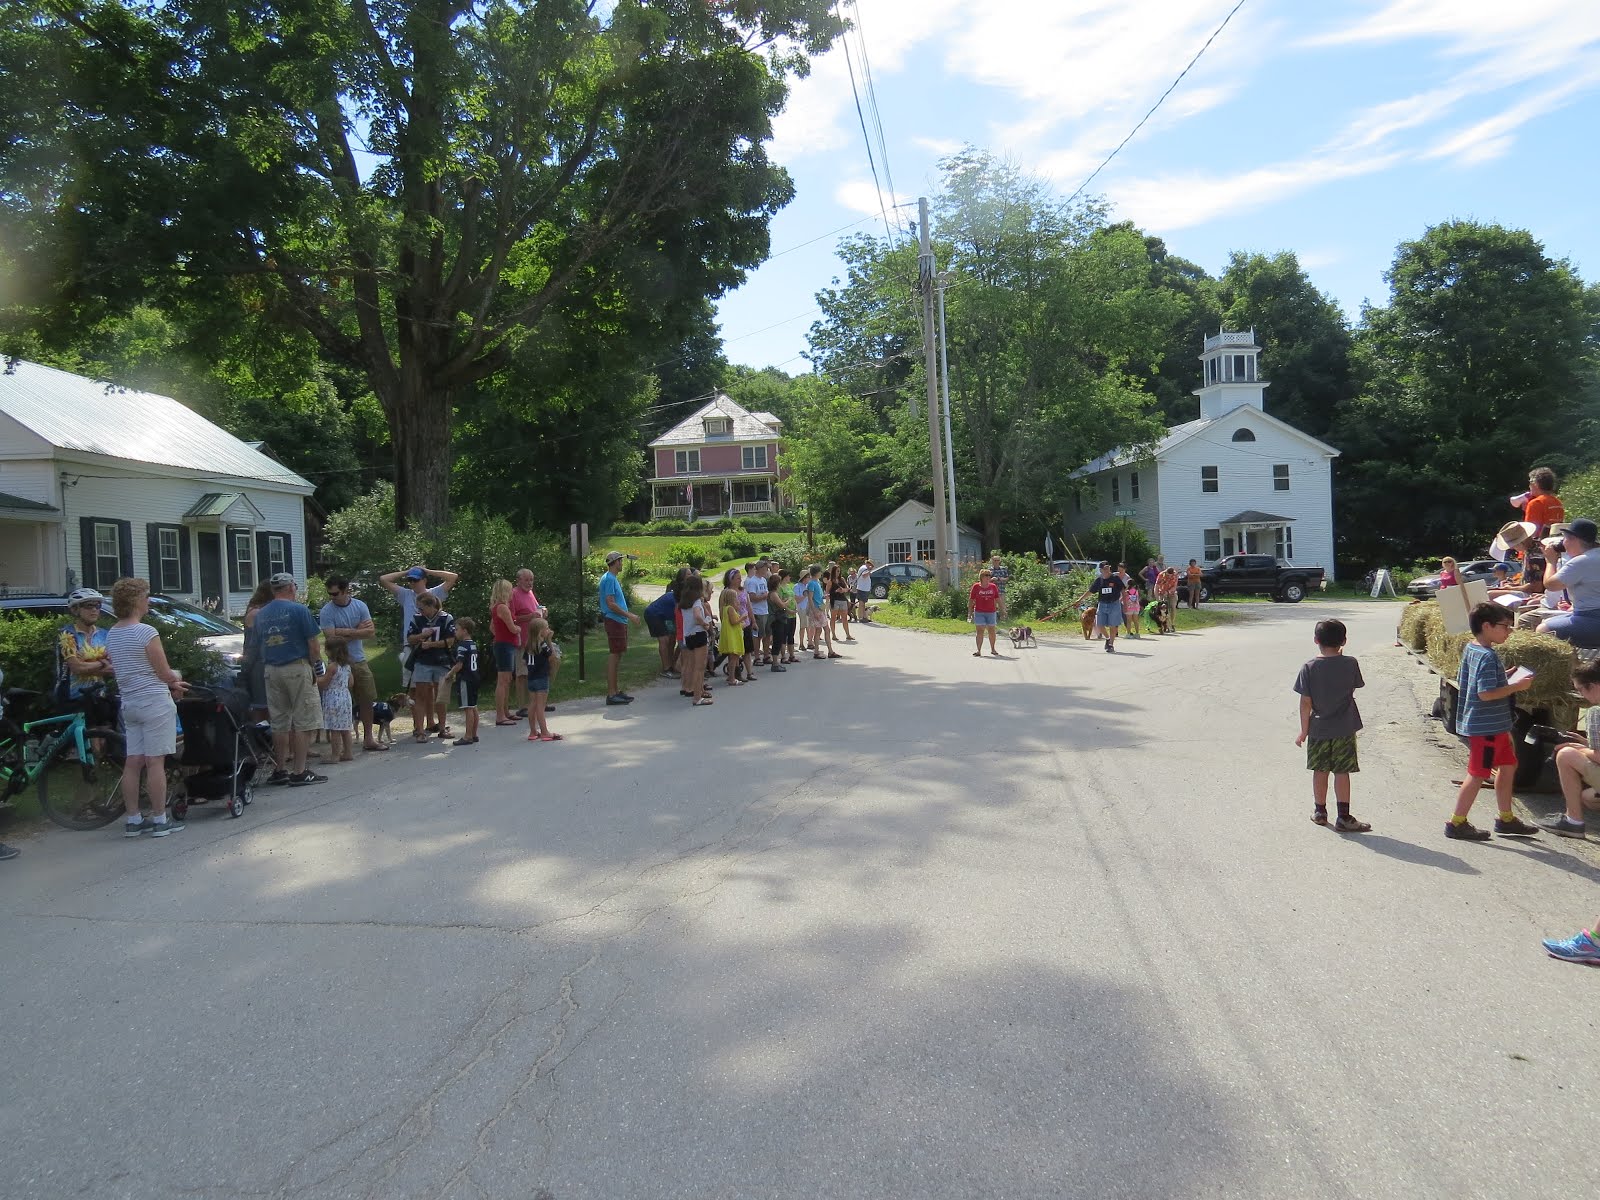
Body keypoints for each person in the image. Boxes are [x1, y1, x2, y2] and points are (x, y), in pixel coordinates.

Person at [1447, 601, 1541, 841]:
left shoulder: (1473, 648)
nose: (1509, 631)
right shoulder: (1488, 656)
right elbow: (1486, 694)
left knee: (1508, 766)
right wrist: (1516, 686)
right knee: (1478, 773)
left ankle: (1506, 818)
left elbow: (1478, 682)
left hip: (1494, 726)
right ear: (1487, 626)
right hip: (1486, 727)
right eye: (1505, 626)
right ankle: (1456, 822)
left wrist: (1504, 676)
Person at [105, 577, 189, 836]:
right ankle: (160, 819)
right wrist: (176, 679)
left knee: (133, 761)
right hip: (154, 700)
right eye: (146, 596)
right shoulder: (146, 632)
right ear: (136, 601)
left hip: (129, 701)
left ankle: (133, 818)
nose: (148, 601)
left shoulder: (112, 633)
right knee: (155, 762)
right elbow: (163, 672)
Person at [1293, 619, 1371, 832]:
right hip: (1344, 728)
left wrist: (1304, 731)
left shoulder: (1309, 667)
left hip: (1318, 729)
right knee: (1342, 771)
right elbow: (1352, 688)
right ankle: (1344, 817)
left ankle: (1320, 812)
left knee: (1320, 770)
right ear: (1344, 641)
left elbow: (1305, 702)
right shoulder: (1351, 663)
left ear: (1316, 640)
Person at [256, 573, 329, 786]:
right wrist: (315, 667)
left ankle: (280, 769)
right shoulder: (299, 610)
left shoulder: (261, 614)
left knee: (279, 721)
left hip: (271, 669)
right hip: (296, 666)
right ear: (290, 588)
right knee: (303, 719)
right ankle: (299, 771)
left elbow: (259, 644)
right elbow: (313, 645)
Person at [379, 564, 459, 726]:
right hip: (412, 647)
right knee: (415, 688)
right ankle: (418, 726)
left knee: (432, 688)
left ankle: (431, 722)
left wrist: (427, 570)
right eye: (410, 580)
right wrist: (407, 571)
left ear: (424, 580)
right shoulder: (405, 594)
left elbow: (453, 577)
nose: (412, 583)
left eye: (415, 580)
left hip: (434, 648)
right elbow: (383, 579)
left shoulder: (434, 593)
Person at [318, 575, 383, 752]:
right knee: (338, 702)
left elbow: (370, 632)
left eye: (335, 593)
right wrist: (357, 630)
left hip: (359, 660)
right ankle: (340, 746)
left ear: (346, 590)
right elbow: (331, 640)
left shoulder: (360, 606)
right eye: (329, 594)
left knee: (367, 698)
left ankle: (368, 738)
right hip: (338, 662)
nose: (332, 597)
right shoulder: (326, 611)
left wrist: (343, 632)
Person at [1544, 657, 1600, 837]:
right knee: (1588, 798)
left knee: (1566, 754)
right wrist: (1586, 745)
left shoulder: (1596, 712)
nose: (1582, 696)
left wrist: (1578, 749)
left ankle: (1573, 821)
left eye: (1581, 690)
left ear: (1592, 686)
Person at [1536, 519, 1600, 648]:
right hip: (1590, 616)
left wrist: (1550, 562)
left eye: (1564, 538)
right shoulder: (1594, 556)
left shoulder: (1582, 561)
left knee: (1543, 629)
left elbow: (1550, 585)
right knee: (1549, 621)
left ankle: (1570, 662)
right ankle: (1575, 661)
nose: (1563, 544)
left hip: (1593, 618)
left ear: (1574, 539)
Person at [406, 591, 456, 743]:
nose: (419, 611)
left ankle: (442, 728)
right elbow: (410, 638)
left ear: (430, 606)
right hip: (422, 661)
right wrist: (421, 636)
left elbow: (451, 640)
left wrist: (432, 644)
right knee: (420, 695)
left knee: (441, 696)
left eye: (421, 608)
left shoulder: (446, 618)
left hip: (441, 661)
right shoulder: (417, 619)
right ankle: (420, 731)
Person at [513, 568, 559, 709]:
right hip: (523, 640)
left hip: (538, 640)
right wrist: (529, 616)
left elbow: (536, 608)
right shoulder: (514, 594)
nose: (529, 583)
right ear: (518, 581)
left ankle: (540, 702)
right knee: (522, 673)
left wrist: (542, 611)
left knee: (547, 665)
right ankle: (523, 707)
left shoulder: (530, 593)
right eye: (526, 580)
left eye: (531, 580)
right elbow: (512, 618)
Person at [56, 587, 112, 703]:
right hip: (72, 698)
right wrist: (102, 662)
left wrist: (88, 666)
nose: (94, 610)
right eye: (89, 606)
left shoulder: (104, 634)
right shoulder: (67, 634)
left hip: (100, 696)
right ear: (75, 610)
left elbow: (113, 667)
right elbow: (77, 668)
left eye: (97, 606)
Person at [599, 550, 640, 706]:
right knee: (614, 655)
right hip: (614, 620)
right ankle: (611, 693)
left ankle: (616, 691)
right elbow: (610, 603)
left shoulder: (611, 578)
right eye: (620, 561)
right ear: (615, 562)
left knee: (618, 654)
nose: (622, 563)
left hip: (618, 620)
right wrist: (629, 615)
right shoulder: (609, 579)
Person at [443, 616, 481, 746]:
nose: (455, 632)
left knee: (467, 707)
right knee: (473, 706)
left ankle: (468, 736)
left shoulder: (462, 646)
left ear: (464, 631)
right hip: (475, 677)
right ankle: (474, 734)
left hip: (466, 678)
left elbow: (459, 665)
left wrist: (449, 674)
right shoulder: (473, 644)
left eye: (457, 629)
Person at [676, 573, 713, 706]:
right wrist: (704, 624)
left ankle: (695, 690)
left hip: (688, 636)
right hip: (698, 634)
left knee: (691, 666)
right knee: (700, 667)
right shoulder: (697, 601)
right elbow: (697, 616)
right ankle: (697, 697)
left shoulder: (684, 602)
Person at [489, 579, 521, 727]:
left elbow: (492, 627)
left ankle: (506, 711)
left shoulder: (498, 607)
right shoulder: (502, 607)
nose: (512, 593)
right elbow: (513, 628)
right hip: (504, 646)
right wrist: (518, 629)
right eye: (510, 590)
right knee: (502, 680)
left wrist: (500, 634)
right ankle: (500, 715)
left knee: (507, 679)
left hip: (505, 644)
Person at [317, 640, 355, 763]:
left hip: (333, 699)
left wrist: (315, 679)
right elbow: (351, 683)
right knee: (345, 728)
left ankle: (335, 755)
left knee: (335, 729)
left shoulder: (332, 667)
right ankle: (348, 752)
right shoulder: (347, 666)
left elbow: (324, 682)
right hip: (345, 698)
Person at [523, 617, 560, 739]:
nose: (548, 630)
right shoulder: (543, 644)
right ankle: (544, 732)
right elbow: (552, 657)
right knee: (541, 706)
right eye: (547, 628)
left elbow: (524, 661)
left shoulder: (528, 645)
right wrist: (549, 640)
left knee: (532, 705)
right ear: (540, 631)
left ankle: (533, 732)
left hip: (531, 678)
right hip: (541, 677)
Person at [646, 568, 686, 679]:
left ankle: (671, 664)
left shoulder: (677, 599)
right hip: (653, 614)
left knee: (671, 639)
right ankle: (666, 669)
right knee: (664, 640)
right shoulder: (675, 600)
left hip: (662, 616)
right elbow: (676, 619)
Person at [1075, 562, 1124, 653]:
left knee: (1113, 625)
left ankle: (1110, 644)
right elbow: (1090, 591)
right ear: (1101, 570)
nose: (1107, 570)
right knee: (1099, 624)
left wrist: (1125, 601)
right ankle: (1107, 638)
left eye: (1108, 568)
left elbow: (1123, 589)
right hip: (1102, 604)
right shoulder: (1099, 580)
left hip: (1114, 604)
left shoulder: (1115, 578)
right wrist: (1079, 600)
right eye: (1104, 568)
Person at [1514, 466, 1564, 535]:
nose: (1529, 486)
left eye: (1530, 482)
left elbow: (1530, 532)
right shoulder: (1558, 502)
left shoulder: (1536, 503)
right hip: (1555, 539)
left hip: (1540, 541)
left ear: (1536, 484)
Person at [718, 571, 746, 686]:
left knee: (733, 657)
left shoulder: (727, 608)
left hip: (732, 633)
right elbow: (734, 622)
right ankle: (732, 678)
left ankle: (731, 676)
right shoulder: (730, 608)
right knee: (734, 657)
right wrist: (743, 618)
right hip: (732, 635)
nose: (737, 601)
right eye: (736, 599)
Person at [968, 566, 1003, 657]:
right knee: (980, 630)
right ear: (981, 577)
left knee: (991, 630)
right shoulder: (976, 586)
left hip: (991, 612)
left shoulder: (993, 586)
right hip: (979, 612)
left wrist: (1003, 609)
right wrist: (969, 612)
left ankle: (993, 649)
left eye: (989, 575)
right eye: (986, 575)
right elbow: (971, 600)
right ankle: (978, 650)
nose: (988, 577)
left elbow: (997, 599)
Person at [746, 560, 772, 666]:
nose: (766, 571)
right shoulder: (753, 581)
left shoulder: (763, 580)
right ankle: (757, 657)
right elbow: (752, 597)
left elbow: (766, 592)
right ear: (760, 569)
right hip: (757, 611)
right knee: (758, 636)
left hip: (765, 610)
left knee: (767, 634)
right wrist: (764, 596)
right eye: (765, 569)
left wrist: (766, 595)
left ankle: (766, 655)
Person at [767, 567, 792, 670]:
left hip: (778, 618)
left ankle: (776, 662)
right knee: (777, 640)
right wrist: (788, 601)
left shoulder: (773, 593)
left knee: (779, 639)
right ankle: (775, 663)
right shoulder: (773, 594)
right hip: (777, 619)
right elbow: (781, 605)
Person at [829, 565, 854, 643]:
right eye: (837, 571)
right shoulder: (831, 581)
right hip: (834, 600)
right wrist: (836, 591)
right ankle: (833, 634)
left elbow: (847, 588)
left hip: (843, 600)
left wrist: (844, 590)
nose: (838, 573)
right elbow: (827, 592)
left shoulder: (842, 579)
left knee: (844, 618)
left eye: (839, 571)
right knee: (833, 618)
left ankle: (848, 634)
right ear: (833, 572)